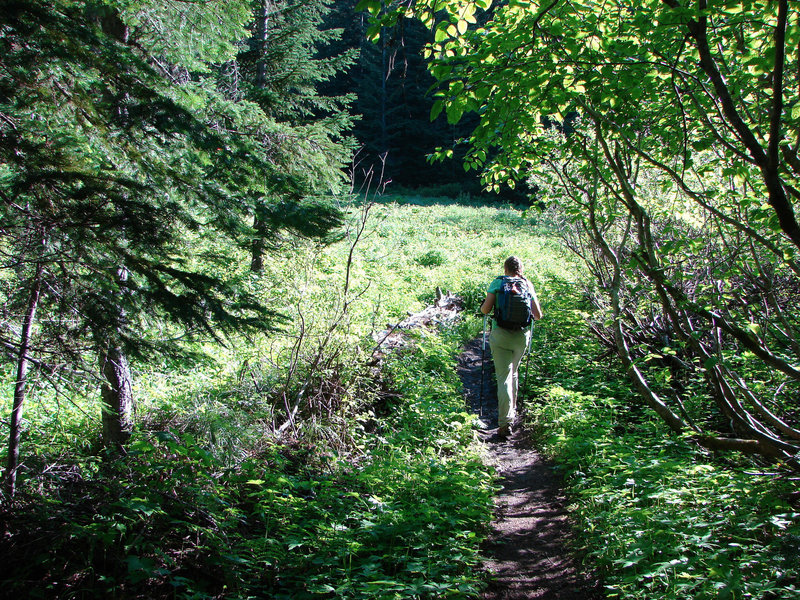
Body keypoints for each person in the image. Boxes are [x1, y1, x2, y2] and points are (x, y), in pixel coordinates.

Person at [480, 256, 543, 440]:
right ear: (520, 269)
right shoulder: (527, 284)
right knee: (513, 372)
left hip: (500, 335)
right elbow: (537, 315)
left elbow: (485, 310)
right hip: (521, 337)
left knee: (503, 377)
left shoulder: (498, 282)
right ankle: (512, 413)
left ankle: (505, 422)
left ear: (505, 268)